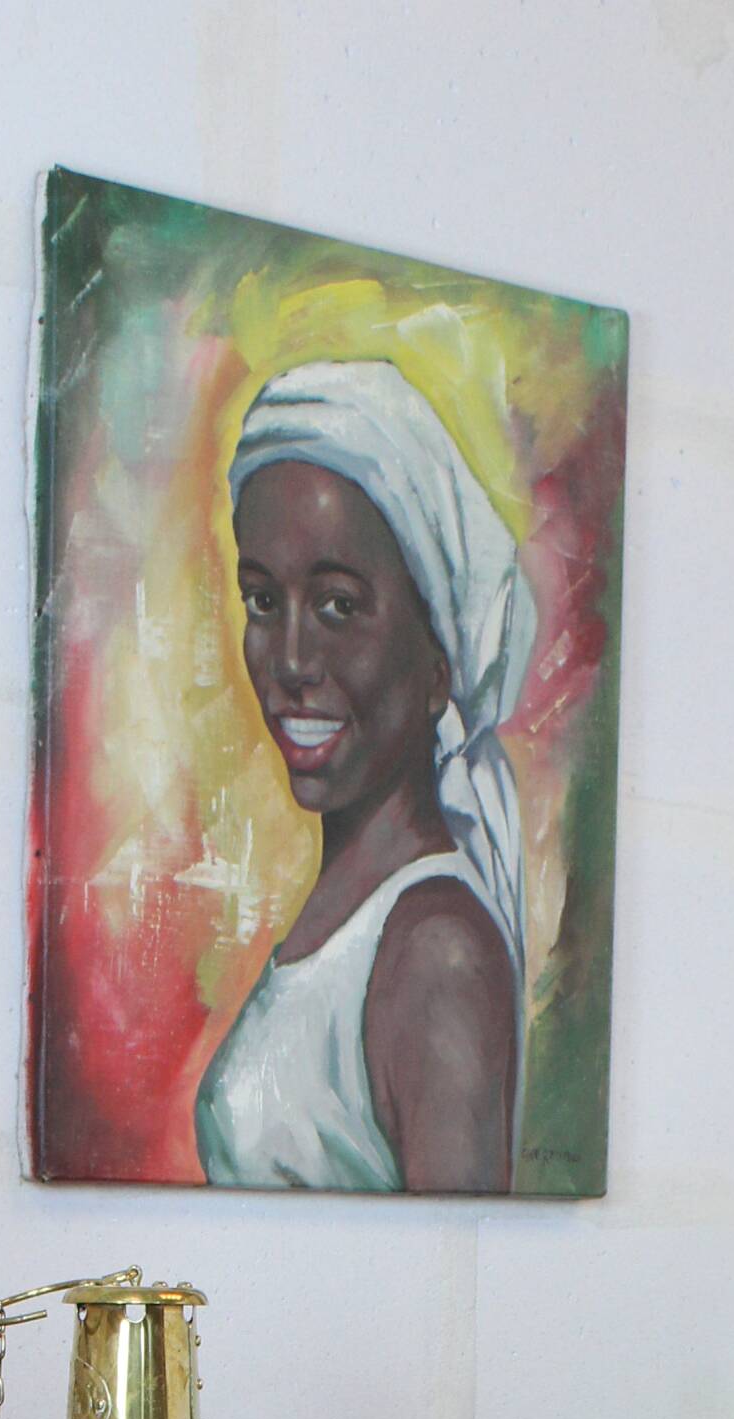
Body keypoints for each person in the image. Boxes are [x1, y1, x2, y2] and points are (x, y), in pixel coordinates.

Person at [195, 360, 536, 1194]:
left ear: (436, 663)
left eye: (338, 605)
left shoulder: (435, 955)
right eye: (263, 601)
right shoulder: (356, 920)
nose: (291, 661)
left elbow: (456, 1266)